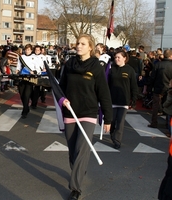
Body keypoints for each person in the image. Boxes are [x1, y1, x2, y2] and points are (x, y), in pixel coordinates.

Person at [59, 34, 112, 200]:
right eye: (77, 43)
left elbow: (103, 93)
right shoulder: (69, 65)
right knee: (73, 151)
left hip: (88, 113)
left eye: (83, 44)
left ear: (90, 47)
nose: (79, 46)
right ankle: (79, 170)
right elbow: (60, 88)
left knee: (82, 149)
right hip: (70, 113)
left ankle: (75, 188)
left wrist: (108, 118)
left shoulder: (96, 67)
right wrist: (62, 100)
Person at [108, 50, 138, 149]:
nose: (116, 59)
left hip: (124, 100)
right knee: (112, 121)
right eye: (115, 57)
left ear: (125, 58)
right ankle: (112, 134)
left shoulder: (130, 70)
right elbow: (107, 84)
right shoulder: (112, 69)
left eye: (119, 57)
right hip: (112, 100)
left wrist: (133, 100)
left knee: (120, 122)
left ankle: (117, 141)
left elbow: (134, 86)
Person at [148, 49, 172, 128]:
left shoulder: (158, 64)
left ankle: (154, 122)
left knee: (155, 106)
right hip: (169, 88)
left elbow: (152, 77)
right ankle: (168, 125)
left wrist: (150, 87)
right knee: (169, 107)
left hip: (158, 88)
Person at [16, 44, 41, 119]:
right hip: (22, 77)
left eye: (29, 50)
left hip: (30, 78)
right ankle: (26, 107)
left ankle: (25, 111)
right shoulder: (21, 57)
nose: (27, 51)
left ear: (31, 50)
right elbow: (18, 66)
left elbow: (38, 68)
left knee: (26, 95)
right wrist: (17, 71)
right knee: (22, 94)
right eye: (26, 50)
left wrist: (34, 72)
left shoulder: (34, 57)